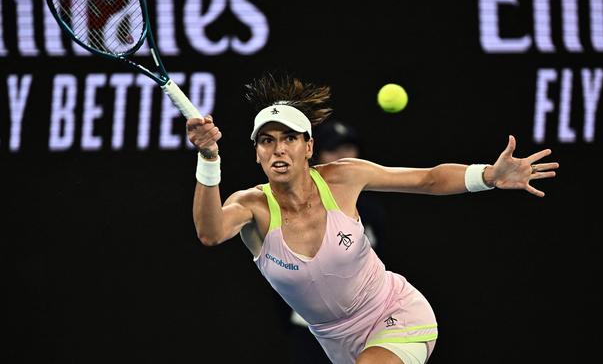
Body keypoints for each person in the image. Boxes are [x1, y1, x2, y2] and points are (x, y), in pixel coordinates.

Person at [186, 72, 559, 364]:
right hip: (337, 345)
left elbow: (427, 179)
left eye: (289, 138)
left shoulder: (343, 177)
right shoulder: (252, 206)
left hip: (396, 314)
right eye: (266, 140)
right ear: (257, 153)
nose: (279, 148)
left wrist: (488, 176)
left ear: (308, 146)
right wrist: (208, 158)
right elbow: (210, 232)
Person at [285, 119, 389, 363]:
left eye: (349, 148)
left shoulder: (372, 210)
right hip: (311, 329)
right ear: (316, 154)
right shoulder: (293, 207)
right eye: (334, 149)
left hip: (364, 326)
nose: (343, 157)